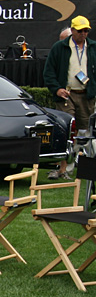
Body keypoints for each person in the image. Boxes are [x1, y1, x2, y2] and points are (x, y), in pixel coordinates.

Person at [44, 15, 96, 179]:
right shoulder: (60, 48)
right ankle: (63, 169)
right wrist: (57, 89)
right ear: (72, 30)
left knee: (86, 133)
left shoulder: (93, 47)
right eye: (80, 31)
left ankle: (84, 169)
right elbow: (49, 72)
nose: (84, 34)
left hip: (86, 95)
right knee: (67, 130)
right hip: (67, 94)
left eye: (86, 30)